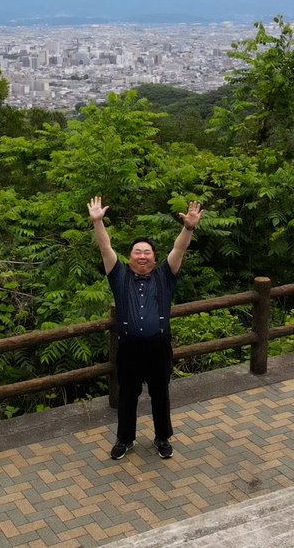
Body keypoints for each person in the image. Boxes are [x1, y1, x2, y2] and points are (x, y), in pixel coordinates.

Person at [88, 196, 203, 460]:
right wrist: (98, 223)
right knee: (127, 395)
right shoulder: (119, 276)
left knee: (160, 394)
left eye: (147, 252)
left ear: (154, 257)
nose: (142, 255)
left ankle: (162, 438)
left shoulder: (165, 275)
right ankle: (124, 439)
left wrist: (188, 228)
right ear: (129, 258)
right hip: (128, 347)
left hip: (158, 347)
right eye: (137, 252)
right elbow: (106, 248)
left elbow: (179, 250)